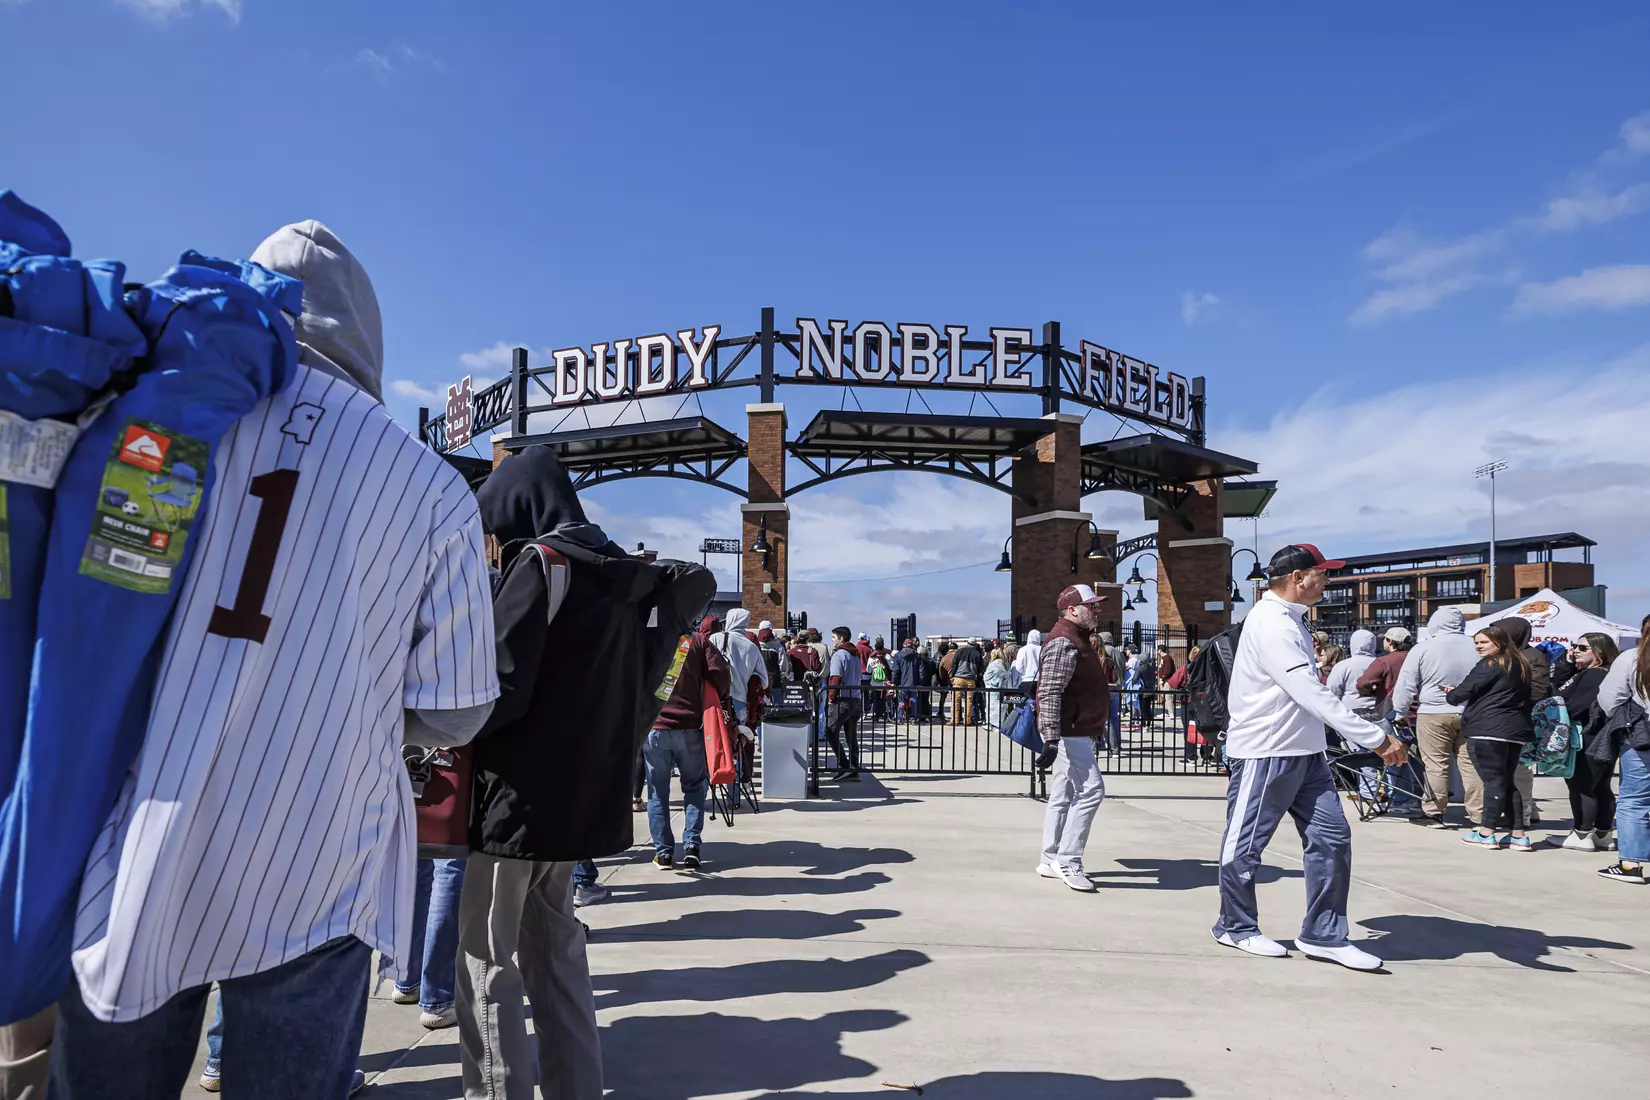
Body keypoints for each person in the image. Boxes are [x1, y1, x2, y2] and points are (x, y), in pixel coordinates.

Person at [49, 221, 499, 1098]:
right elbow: (457, 708)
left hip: (137, 827)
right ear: (366, 336)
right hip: (319, 848)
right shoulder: (432, 482)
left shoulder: (161, 412)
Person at [462, 444, 676, 1100]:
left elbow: (500, 689)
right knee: (559, 958)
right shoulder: (624, 580)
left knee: (487, 965)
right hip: (577, 806)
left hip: (512, 807)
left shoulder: (541, 563)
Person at [1213, 545, 1403, 971]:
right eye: (1323, 574)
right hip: (1267, 750)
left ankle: (1323, 935)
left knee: (1333, 840)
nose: (1328, 581)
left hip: (1305, 751)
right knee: (1243, 846)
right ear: (1298, 577)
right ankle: (1234, 925)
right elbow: (1311, 693)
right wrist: (1375, 738)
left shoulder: (1290, 621)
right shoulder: (1273, 626)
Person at [1035, 586, 1112, 893]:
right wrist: (1052, 738)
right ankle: (1068, 860)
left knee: (1063, 794)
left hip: (1074, 729)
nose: (1097, 611)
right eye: (1091, 606)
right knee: (1092, 790)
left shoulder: (1074, 638)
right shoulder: (1064, 642)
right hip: (1070, 731)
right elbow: (1049, 691)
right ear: (1072, 610)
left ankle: (1050, 857)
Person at [646, 616, 732, 870]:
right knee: (694, 787)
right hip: (691, 727)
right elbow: (720, 673)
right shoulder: (696, 641)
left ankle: (663, 853)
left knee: (656, 792)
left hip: (655, 727)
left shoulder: (648, 639)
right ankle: (692, 845)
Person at [1446, 624, 1535, 852]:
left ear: (1500, 641)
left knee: (1494, 782)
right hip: (1514, 730)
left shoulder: (1491, 663)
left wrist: (1451, 692)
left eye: (1484, 642)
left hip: (1488, 728)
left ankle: (1487, 832)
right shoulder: (1521, 663)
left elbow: (1460, 694)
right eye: (1476, 642)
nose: (1478, 646)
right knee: (1507, 781)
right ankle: (1518, 835)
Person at [1391, 608, 1481, 829]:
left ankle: (1434, 812)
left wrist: (1400, 713)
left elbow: (1406, 685)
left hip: (1433, 711)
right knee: (1471, 765)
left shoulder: (1423, 648)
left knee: (1435, 765)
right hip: (1471, 712)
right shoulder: (1477, 645)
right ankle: (1480, 815)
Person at [1596, 615, 1650, 883]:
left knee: (1634, 800)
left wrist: (1626, 716)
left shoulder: (1632, 658)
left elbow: (1609, 697)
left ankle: (1631, 865)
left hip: (1642, 735)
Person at [1556, 633, 1621, 851]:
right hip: (1604, 736)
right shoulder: (1603, 673)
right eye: (1574, 646)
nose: (1575, 650)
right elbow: (1560, 689)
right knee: (1601, 787)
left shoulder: (1594, 675)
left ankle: (1582, 834)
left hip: (1588, 736)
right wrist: (1567, 664)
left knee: (1582, 786)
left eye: (1582, 648)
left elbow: (1572, 705)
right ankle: (1602, 834)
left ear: (1599, 652)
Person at [1498, 616, 1548, 826]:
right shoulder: (1504, 654)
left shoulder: (1532, 656)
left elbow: (1539, 689)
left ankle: (1524, 814)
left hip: (1522, 718)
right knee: (1511, 768)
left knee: (1520, 769)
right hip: (1506, 718)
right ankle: (1529, 809)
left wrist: (1513, 703)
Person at [710, 608, 770, 724]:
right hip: (740, 702)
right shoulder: (752, 647)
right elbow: (764, 682)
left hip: (717, 700)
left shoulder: (716, 638)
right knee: (737, 738)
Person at [826, 626, 865, 781]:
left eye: (834, 637)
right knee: (851, 736)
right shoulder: (855, 655)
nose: (832, 641)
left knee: (831, 731)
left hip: (842, 700)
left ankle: (844, 765)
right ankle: (854, 767)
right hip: (855, 699)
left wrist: (831, 698)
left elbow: (835, 678)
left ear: (841, 638)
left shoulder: (839, 655)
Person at [949, 637, 984, 728]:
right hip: (971, 679)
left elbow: (954, 663)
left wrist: (952, 675)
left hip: (958, 678)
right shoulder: (977, 654)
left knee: (956, 700)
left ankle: (954, 720)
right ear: (975, 644)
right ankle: (967, 720)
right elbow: (980, 669)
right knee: (969, 701)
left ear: (967, 643)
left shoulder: (960, 651)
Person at [891, 637, 925, 720]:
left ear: (903, 645)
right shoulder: (916, 655)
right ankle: (913, 718)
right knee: (913, 699)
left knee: (901, 699)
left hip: (902, 682)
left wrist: (893, 682)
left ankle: (899, 718)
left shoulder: (898, 655)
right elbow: (921, 670)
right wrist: (920, 682)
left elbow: (895, 670)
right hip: (913, 681)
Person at [984, 647, 1012, 727]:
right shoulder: (1004, 663)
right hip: (1001, 689)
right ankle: (999, 723)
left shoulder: (996, 663)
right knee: (1000, 707)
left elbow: (998, 676)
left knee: (993, 707)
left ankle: (994, 724)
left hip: (993, 689)